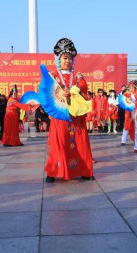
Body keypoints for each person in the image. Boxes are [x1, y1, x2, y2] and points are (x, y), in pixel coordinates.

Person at [44, 38, 94, 182]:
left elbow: (84, 90)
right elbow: (46, 93)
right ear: (59, 59)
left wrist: (74, 91)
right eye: (65, 58)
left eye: (70, 58)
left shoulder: (78, 76)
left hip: (76, 116)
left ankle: (85, 170)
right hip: (60, 115)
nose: (67, 61)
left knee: (80, 142)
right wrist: (59, 94)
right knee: (58, 143)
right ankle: (53, 172)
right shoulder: (52, 76)